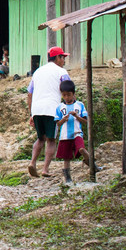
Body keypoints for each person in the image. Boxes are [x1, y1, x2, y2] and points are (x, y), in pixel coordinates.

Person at [28, 46, 71, 178]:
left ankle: (32, 163)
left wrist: (31, 114)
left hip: (37, 109)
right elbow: (68, 89)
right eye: (63, 57)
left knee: (40, 138)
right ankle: (45, 169)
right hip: (52, 109)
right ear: (58, 58)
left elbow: (29, 93)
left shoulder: (37, 72)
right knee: (51, 140)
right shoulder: (62, 72)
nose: (64, 60)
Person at [54, 80, 100, 183]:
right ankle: (68, 177)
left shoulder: (79, 105)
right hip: (65, 135)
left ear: (73, 94)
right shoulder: (60, 107)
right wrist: (63, 119)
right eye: (64, 95)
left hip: (77, 133)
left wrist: (76, 116)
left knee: (81, 149)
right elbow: (57, 123)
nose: (67, 97)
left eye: (69, 95)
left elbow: (85, 121)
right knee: (67, 158)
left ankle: (93, 165)